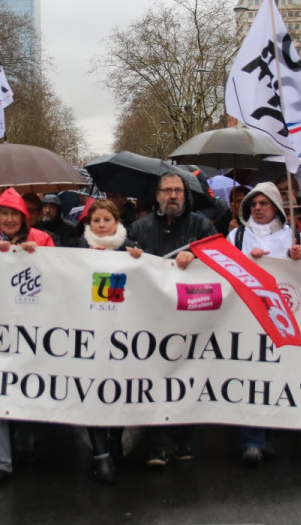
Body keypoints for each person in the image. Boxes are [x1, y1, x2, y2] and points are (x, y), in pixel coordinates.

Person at [130, 172, 217, 467]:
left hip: (188, 318)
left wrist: (197, 258)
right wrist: (132, 256)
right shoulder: (140, 228)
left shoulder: (201, 226)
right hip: (152, 319)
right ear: (157, 196)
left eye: (177, 190)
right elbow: (123, 261)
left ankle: (183, 438)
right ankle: (159, 443)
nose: (172, 195)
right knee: (155, 378)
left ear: (185, 194)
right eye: (166, 190)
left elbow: (218, 261)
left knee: (186, 377)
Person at [0, 187, 55, 485]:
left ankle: (24, 439)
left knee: (26, 386)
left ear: (24, 218)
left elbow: (57, 276)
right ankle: (1, 461)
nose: (8, 219)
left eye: (14, 214)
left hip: (31, 327)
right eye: (3, 214)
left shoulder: (43, 240)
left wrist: (38, 256)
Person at [227, 182, 301, 466]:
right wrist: (244, 262)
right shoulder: (237, 236)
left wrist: (300, 259)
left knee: (276, 376)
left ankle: (269, 435)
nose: (258, 208)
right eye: (254, 204)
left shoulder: (293, 236)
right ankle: (250, 440)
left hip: (282, 319)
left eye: (264, 203)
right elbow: (223, 270)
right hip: (246, 316)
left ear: (275, 206)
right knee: (250, 376)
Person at [79, 199, 142, 484]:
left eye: (107, 220)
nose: (102, 225)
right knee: (92, 392)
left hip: (122, 335)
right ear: (88, 225)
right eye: (96, 221)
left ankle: (115, 438)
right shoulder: (76, 250)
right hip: (88, 334)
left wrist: (141, 261)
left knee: (118, 391)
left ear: (117, 222)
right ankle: (100, 454)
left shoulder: (132, 250)